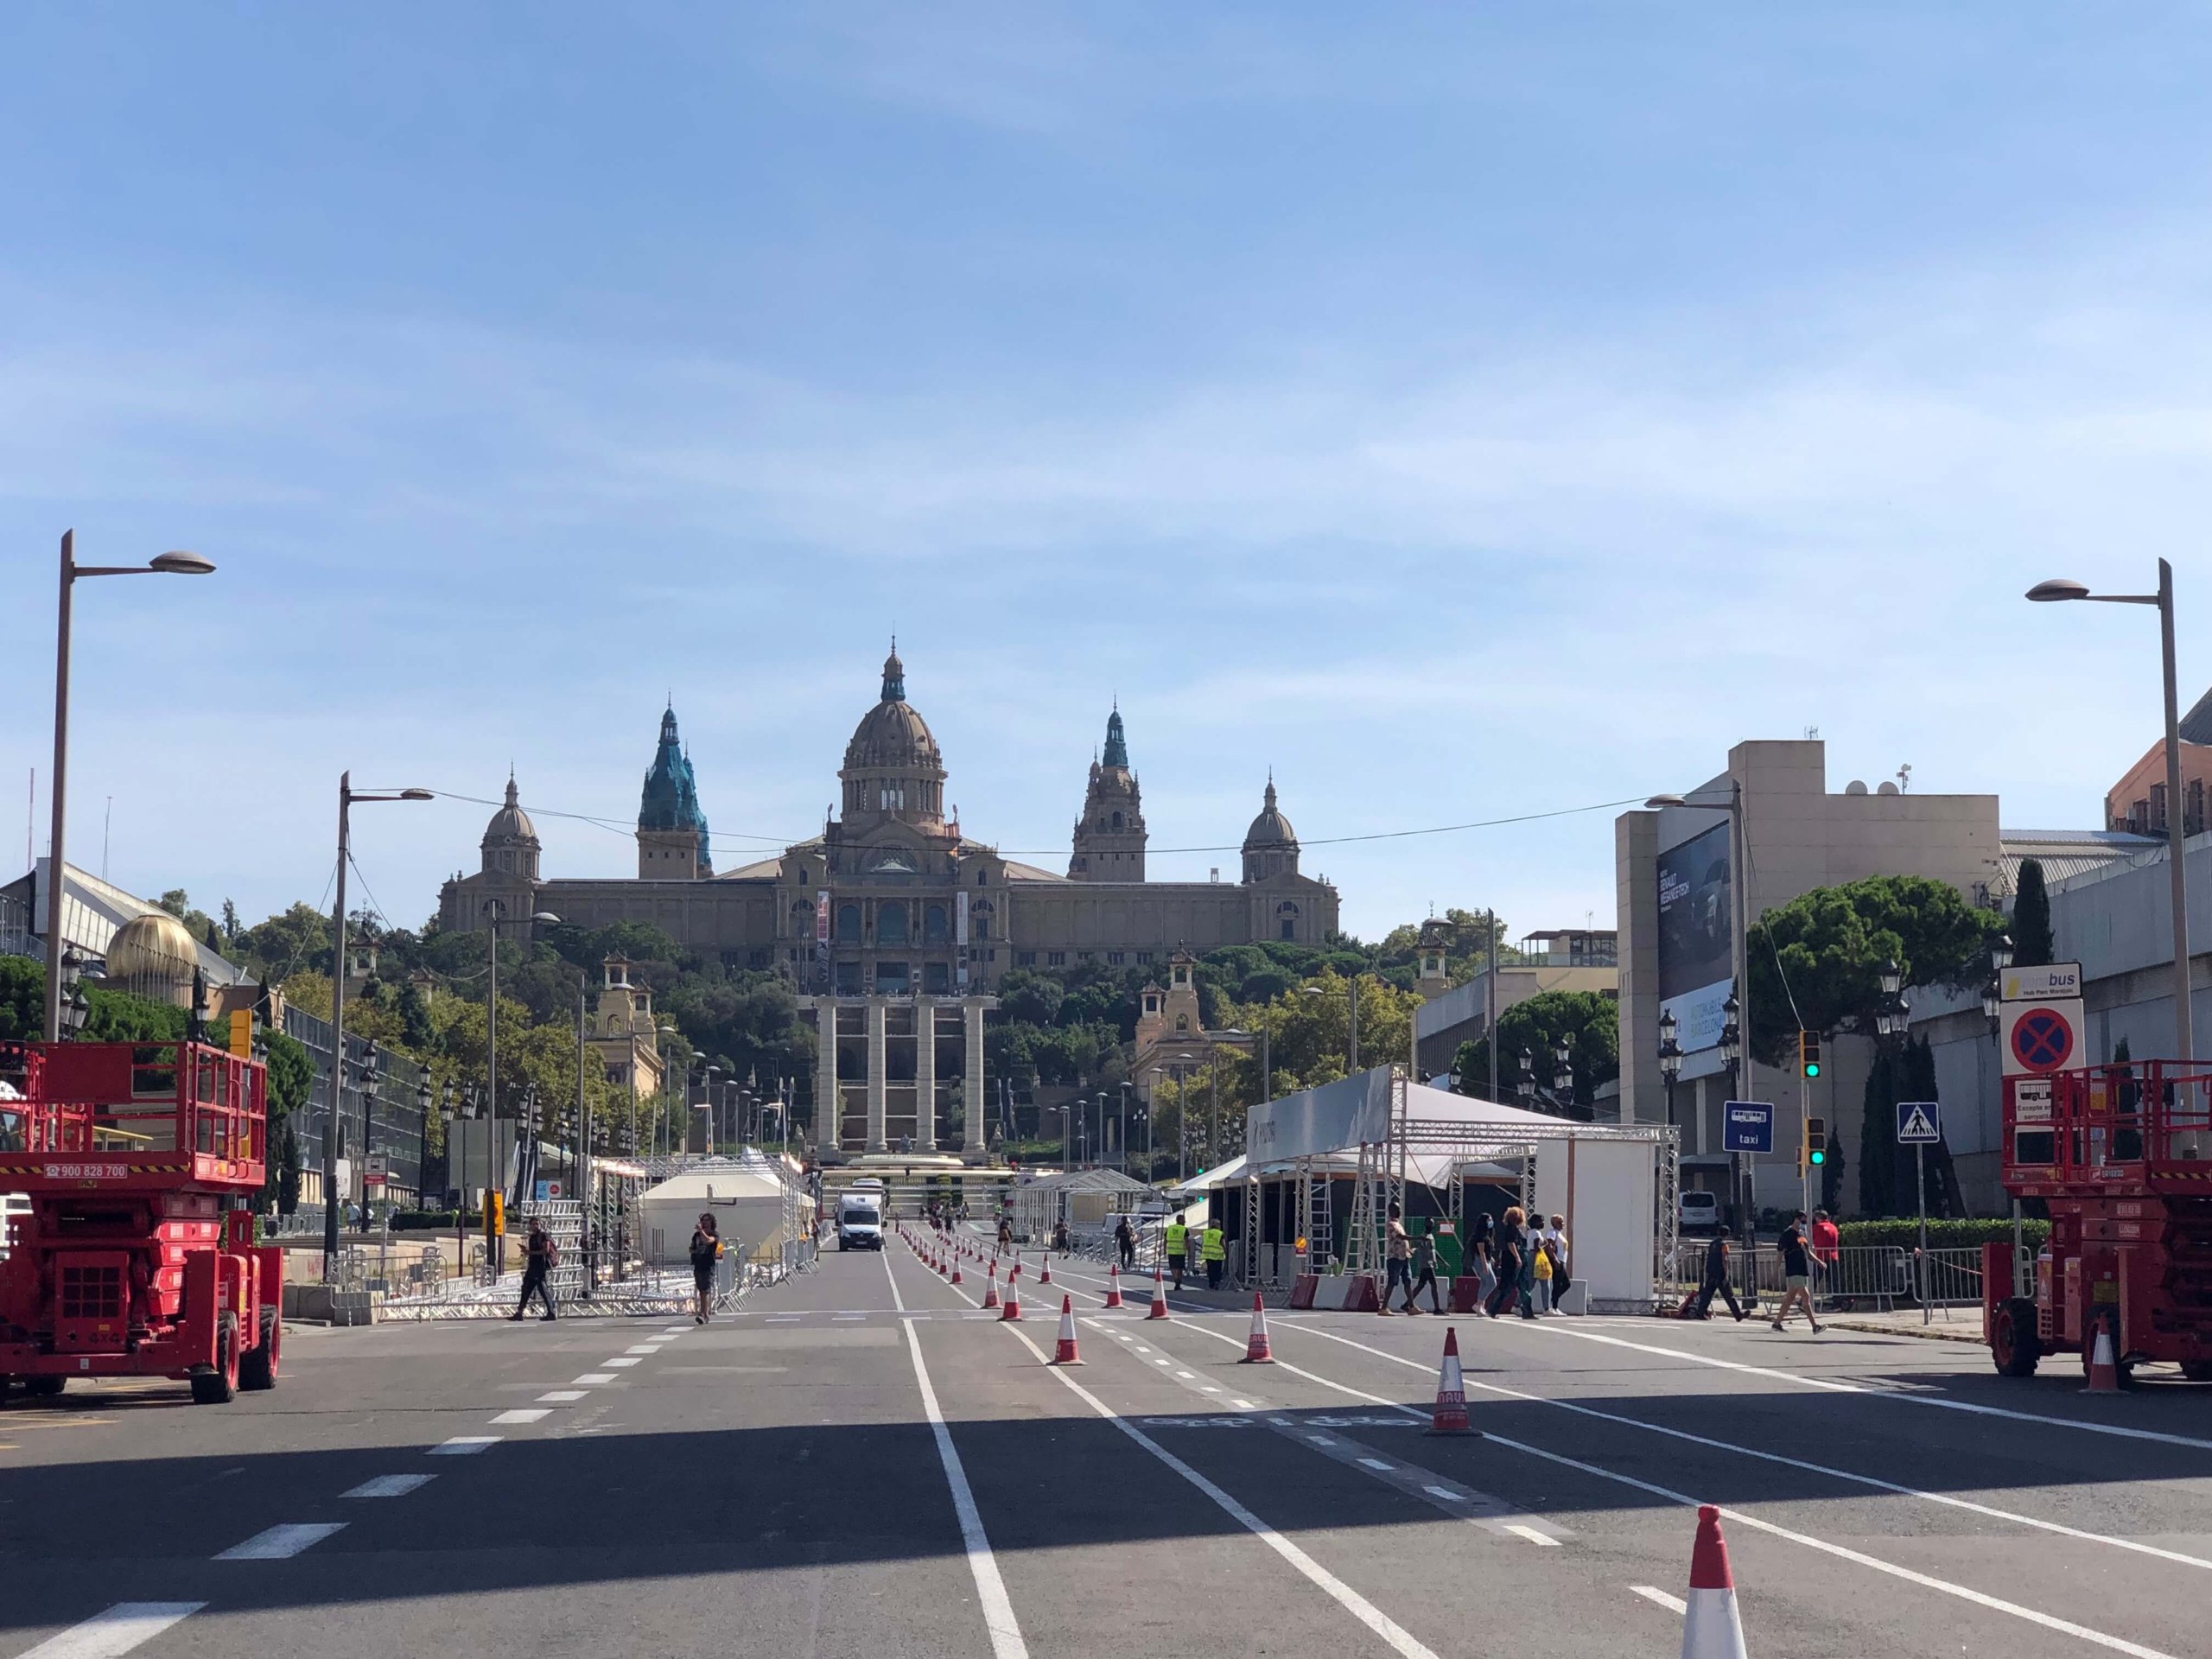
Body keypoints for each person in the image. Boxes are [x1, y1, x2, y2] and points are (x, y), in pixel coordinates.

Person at [1773, 1211, 1823, 1333]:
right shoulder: (1787, 1234)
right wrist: (1775, 1271)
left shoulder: (1801, 1234)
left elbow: (1808, 1253)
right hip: (1794, 1269)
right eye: (1802, 1221)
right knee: (1805, 1296)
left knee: (1789, 1298)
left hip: (1801, 1269)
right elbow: (1780, 1254)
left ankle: (1777, 1323)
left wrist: (1819, 1262)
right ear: (1796, 1219)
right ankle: (1814, 1326)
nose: (1803, 1224)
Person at [1690, 1224, 1747, 1321]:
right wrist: (1726, 1274)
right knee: (1729, 1295)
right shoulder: (1724, 1244)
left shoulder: (1713, 1243)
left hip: (1711, 1272)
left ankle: (1700, 1312)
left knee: (1707, 1294)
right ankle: (1738, 1314)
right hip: (1720, 1273)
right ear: (1728, 1234)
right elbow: (1725, 1259)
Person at [511, 1217, 558, 1321]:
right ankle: (519, 1313)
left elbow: (545, 1251)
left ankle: (551, 1312)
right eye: (533, 1224)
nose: (536, 1226)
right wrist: (526, 1251)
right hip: (532, 1266)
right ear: (530, 1225)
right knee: (526, 1289)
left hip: (540, 1267)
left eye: (537, 1224)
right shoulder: (532, 1237)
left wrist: (529, 1253)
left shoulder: (543, 1235)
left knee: (543, 1290)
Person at [1486, 1206, 1526, 1318]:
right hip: (1511, 1259)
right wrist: (1517, 1257)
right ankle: (1493, 1309)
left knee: (1506, 1285)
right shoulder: (1512, 1229)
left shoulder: (1509, 1228)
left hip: (1507, 1258)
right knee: (1507, 1286)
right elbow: (1510, 1244)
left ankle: (1492, 1309)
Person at [1381, 1202, 1416, 1315]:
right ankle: (1384, 1307)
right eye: (1397, 1209)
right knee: (1392, 1282)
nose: (1399, 1212)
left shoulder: (1398, 1224)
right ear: (1391, 1211)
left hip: (1404, 1256)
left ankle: (1411, 1307)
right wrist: (1416, 1237)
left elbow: (1403, 1241)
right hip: (1395, 1257)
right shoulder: (1390, 1224)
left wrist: (1409, 1249)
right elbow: (1400, 1237)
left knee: (1408, 1281)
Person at [689, 1211, 721, 1324]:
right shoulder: (696, 1236)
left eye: (707, 1220)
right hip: (698, 1263)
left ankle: (704, 1313)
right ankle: (703, 1312)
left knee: (705, 1290)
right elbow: (691, 1248)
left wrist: (701, 1231)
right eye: (703, 1220)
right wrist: (694, 1251)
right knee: (700, 1289)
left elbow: (708, 1241)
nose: (705, 1222)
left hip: (708, 1265)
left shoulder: (714, 1235)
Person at [1466, 1212, 1499, 1313]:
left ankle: (1481, 1306)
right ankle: (1478, 1303)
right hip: (1480, 1260)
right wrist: (1484, 1265)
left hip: (1486, 1260)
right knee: (1492, 1283)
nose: (1490, 1222)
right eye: (1488, 1220)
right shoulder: (1480, 1235)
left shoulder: (1487, 1235)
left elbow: (1487, 1251)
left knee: (1484, 1282)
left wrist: (1491, 1259)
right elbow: (1481, 1252)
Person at [1809, 1207, 1840, 1309]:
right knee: (1833, 1281)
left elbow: (1810, 1239)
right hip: (1833, 1256)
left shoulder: (1817, 1227)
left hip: (1821, 1257)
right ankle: (1837, 1301)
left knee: (1814, 1280)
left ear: (1819, 1218)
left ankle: (1806, 1300)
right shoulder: (1833, 1227)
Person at [1410, 1226, 1444, 1315]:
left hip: (1429, 1264)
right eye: (1429, 1224)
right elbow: (1418, 1246)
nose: (1431, 1226)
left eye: (1432, 1224)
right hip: (1426, 1264)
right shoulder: (1423, 1237)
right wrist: (1413, 1249)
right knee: (1434, 1284)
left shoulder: (1431, 1236)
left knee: (1421, 1285)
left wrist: (1442, 1261)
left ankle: (1407, 1303)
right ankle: (1437, 1308)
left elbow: (1433, 1251)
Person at [1545, 1214, 1572, 1313]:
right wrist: (1555, 1259)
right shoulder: (1552, 1233)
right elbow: (1549, 1246)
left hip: (1562, 1260)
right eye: (1561, 1222)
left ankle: (1554, 1301)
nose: (1563, 1224)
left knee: (1566, 1284)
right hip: (1557, 1260)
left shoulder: (1559, 1234)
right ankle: (1554, 1307)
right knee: (1558, 1283)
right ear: (1555, 1223)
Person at [1164, 1213, 1188, 1288]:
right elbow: (1187, 1241)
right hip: (1181, 1252)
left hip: (1171, 1251)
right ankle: (1179, 1282)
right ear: (1180, 1220)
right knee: (1180, 1268)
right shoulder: (1184, 1229)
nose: (1185, 1221)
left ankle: (1176, 1279)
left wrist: (1164, 1250)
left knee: (1173, 1267)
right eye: (1184, 1220)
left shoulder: (1170, 1228)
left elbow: (1165, 1240)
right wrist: (1189, 1251)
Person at [1201, 1218, 1226, 1290]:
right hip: (1217, 1255)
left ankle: (1211, 1283)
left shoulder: (1206, 1233)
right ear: (1218, 1225)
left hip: (1208, 1254)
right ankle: (1216, 1282)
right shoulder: (1220, 1233)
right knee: (1217, 1269)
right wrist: (1225, 1252)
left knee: (1210, 1269)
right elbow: (1223, 1244)